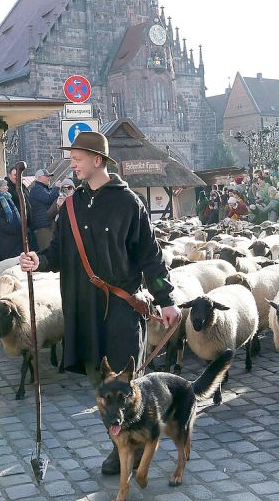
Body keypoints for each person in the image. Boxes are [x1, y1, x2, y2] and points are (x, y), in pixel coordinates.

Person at [17, 130, 180, 476]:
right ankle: (120, 443)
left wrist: (166, 299)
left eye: (78, 157)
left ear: (98, 160)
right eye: (72, 156)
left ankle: (133, 446)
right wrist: (39, 261)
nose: (72, 162)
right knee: (99, 383)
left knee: (124, 385)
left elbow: (151, 256)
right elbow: (59, 251)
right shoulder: (73, 204)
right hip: (82, 309)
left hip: (121, 310)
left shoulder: (128, 203)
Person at [0, 177, 23, 263]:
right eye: (5, 185)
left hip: (14, 236)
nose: (7, 187)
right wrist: (9, 227)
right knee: (7, 260)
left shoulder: (8, 198)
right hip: (5, 237)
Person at [29, 169, 59, 249]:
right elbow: (49, 199)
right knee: (47, 249)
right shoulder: (37, 189)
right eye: (46, 176)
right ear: (39, 178)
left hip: (46, 224)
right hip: (43, 226)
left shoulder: (43, 188)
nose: (49, 178)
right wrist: (56, 188)